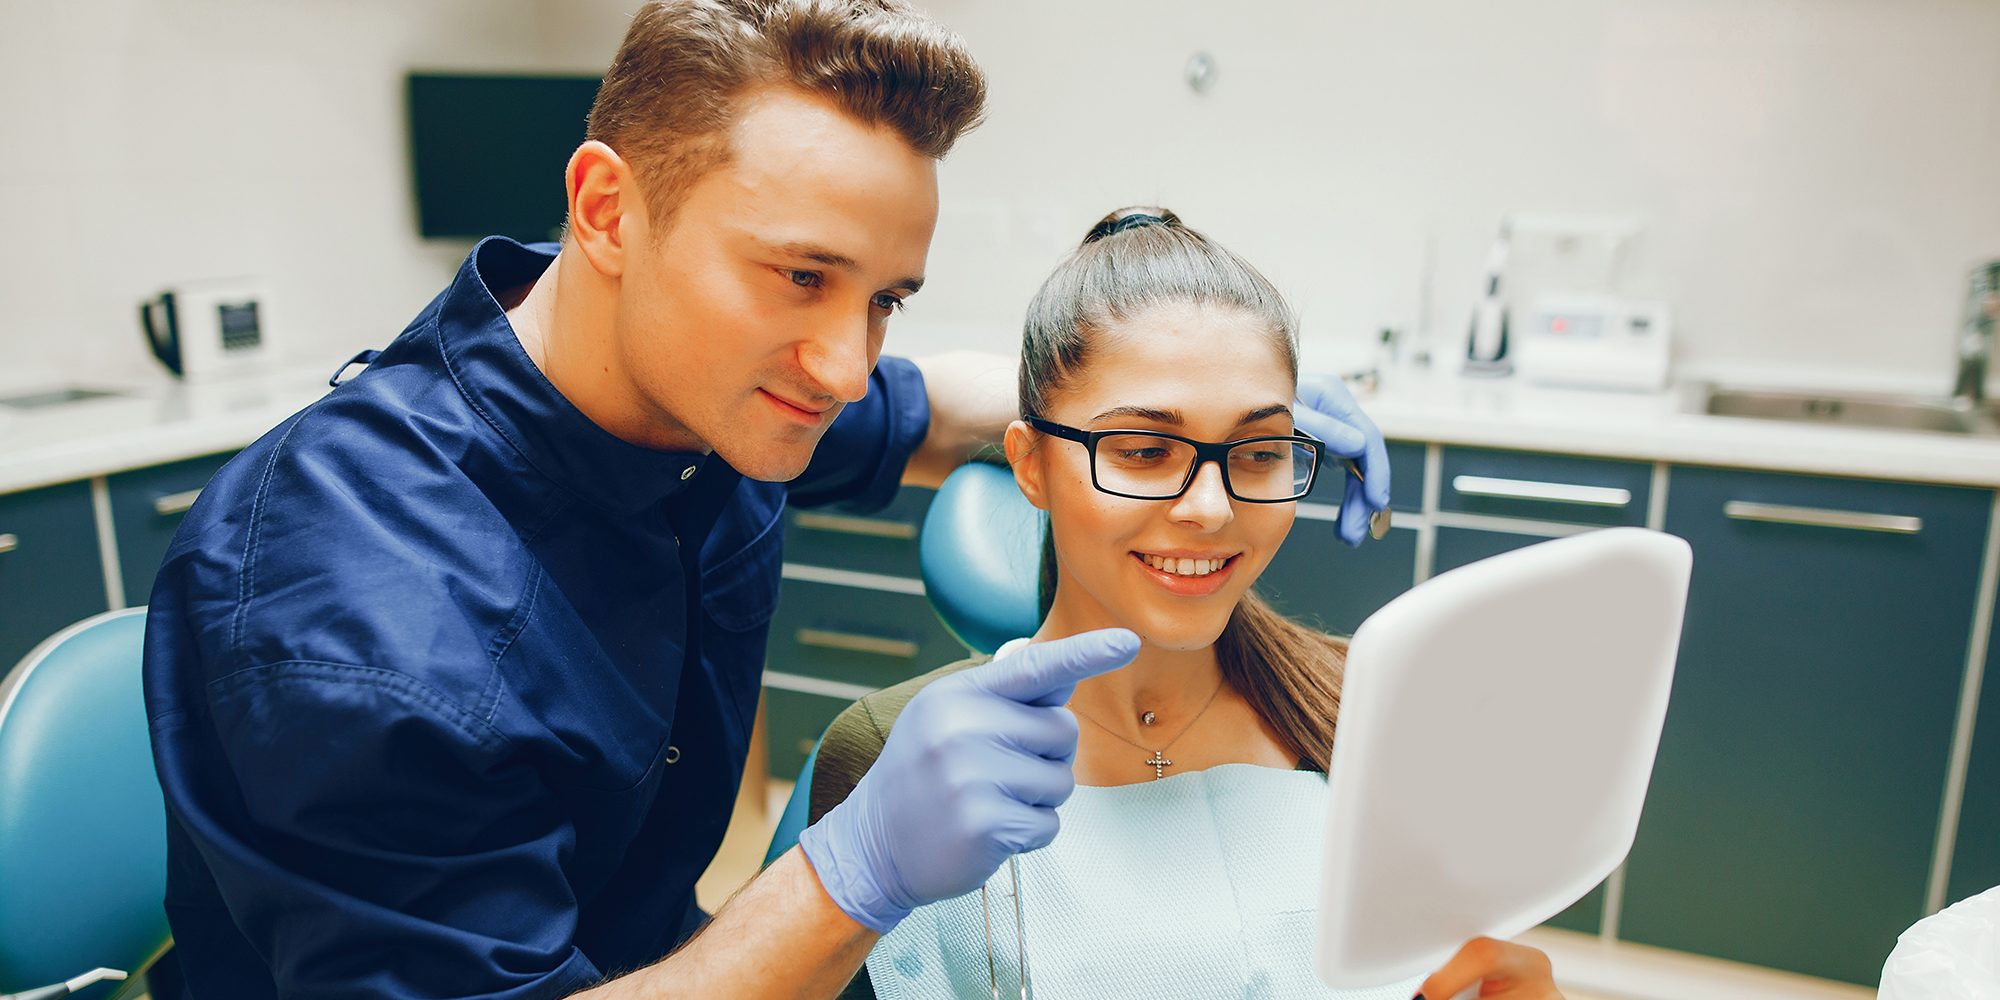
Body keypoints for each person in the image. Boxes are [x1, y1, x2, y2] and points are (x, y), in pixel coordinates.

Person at [139, 4, 1394, 999]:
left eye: (883, 298)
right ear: (605, 210)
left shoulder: (709, 392)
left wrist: (1208, 410)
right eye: (800, 275)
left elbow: (936, 410)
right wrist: (848, 875)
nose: (846, 364)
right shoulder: (373, 622)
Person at [808, 208, 1563, 999]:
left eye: (1260, 449)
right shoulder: (895, 760)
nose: (1210, 507)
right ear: (1031, 466)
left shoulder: (1371, 716)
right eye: (1141, 450)